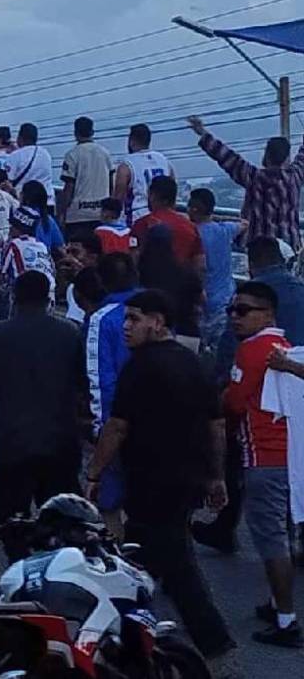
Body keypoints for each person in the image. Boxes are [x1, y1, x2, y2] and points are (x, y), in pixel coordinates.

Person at [85, 290, 239, 673]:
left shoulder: (140, 367)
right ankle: (134, 636)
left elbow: (117, 426)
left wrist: (94, 473)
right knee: (145, 560)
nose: (126, 327)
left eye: (135, 319)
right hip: (186, 480)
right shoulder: (194, 362)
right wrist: (216, 476)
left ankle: (211, 639)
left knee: (174, 564)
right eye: (126, 319)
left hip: (153, 481)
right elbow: (215, 425)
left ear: (158, 322)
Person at [0, 272, 88, 522]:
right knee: (65, 521)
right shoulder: (69, 333)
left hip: (12, 443)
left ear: (15, 296)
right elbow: (83, 387)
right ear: (48, 298)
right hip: (61, 441)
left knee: (12, 523)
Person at [222, 281, 299, 647]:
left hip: (263, 457)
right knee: (284, 535)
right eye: (231, 310)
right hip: (290, 457)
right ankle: (276, 605)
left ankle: (286, 620)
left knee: (271, 542)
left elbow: (235, 403)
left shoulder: (252, 350)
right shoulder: (283, 347)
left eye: (243, 310)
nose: (234, 317)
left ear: (267, 313)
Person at [85, 252, 141, 530]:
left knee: (109, 504)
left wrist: (100, 430)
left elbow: (99, 380)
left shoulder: (102, 319)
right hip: (156, 423)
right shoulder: (153, 309)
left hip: (117, 421)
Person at [190, 115, 304, 252]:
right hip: (289, 247)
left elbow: (226, 156)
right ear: (287, 157)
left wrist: (202, 132)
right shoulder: (295, 176)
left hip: (259, 250)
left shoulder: (254, 177)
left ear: (267, 155)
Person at [188, 188, 243, 351]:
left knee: (201, 350)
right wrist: (218, 219)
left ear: (193, 208)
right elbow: (244, 224)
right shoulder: (224, 230)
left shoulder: (193, 235)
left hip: (204, 301)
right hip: (226, 299)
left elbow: (199, 268)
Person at [137, 225, 204, 351]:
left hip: (153, 335)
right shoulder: (186, 271)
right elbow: (201, 300)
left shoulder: (140, 274)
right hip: (187, 333)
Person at [132, 175, 203, 271]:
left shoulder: (141, 225)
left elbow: (133, 260)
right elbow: (199, 265)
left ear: (152, 195)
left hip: (151, 283)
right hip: (181, 283)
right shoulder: (191, 227)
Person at [59, 116, 112, 238]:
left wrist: (62, 212)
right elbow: (111, 184)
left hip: (77, 216)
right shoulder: (105, 153)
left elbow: (69, 187)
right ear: (92, 132)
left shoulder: (72, 155)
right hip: (101, 214)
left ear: (75, 133)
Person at [113, 122, 173, 225]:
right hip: (163, 215)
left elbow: (118, 196)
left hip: (137, 216)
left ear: (131, 141)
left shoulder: (127, 164)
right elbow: (172, 188)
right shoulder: (164, 160)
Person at [5, 122, 55, 208]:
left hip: (25, 202)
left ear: (20, 138)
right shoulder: (45, 153)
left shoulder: (15, 155)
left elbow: (8, 181)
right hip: (48, 200)